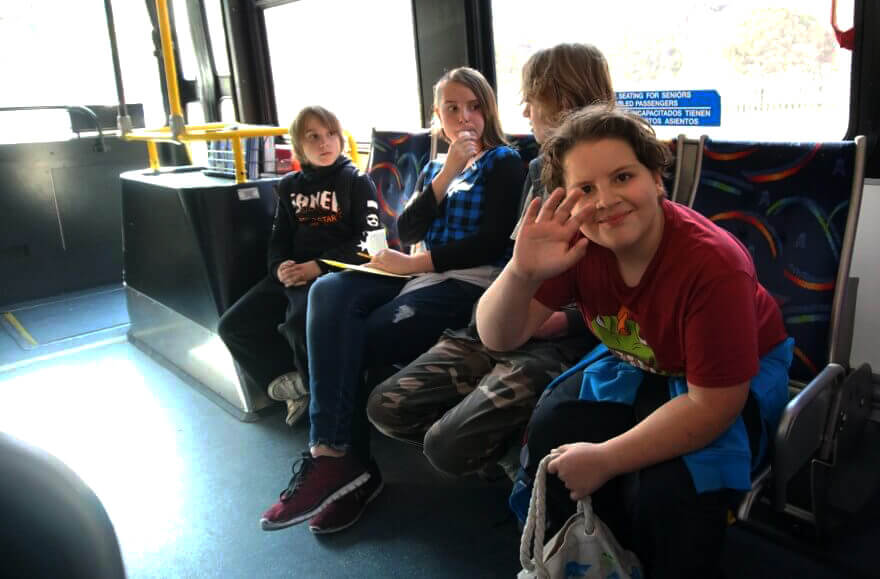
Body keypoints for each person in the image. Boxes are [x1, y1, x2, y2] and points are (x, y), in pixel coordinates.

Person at [476, 106, 794, 578]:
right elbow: (499, 335)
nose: (605, 200)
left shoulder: (714, 266)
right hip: (645, 355)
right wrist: (522, 272)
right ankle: (588, 558)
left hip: (726, 376)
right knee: (552, 431)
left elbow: (714, 405)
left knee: (672, 492)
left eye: (622, 176)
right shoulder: (580, 247)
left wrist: (606, 459)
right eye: (586, 189)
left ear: (657, 180)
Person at [260, 67, 525, 535]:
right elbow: (409, 231)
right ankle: (331, 456)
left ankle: (352, 471)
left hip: (464, 280)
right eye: (452, 108)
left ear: (488, 110)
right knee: (327, 291)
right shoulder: (432, 165)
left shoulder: (505, 161)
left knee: (357, 338)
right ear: (437, 116)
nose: (465, 118)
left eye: (474, 106)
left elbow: (490, 243)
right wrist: (446, 173)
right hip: (415, 269)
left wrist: (411, 267)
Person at [366, 43, 615, 479]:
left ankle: (513, 460)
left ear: (564, 101)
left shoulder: (614, 178)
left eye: (532, 98)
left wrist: (565, 320)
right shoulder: (539, 169)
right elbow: (510, 260)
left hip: (565, 336)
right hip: (508, 315)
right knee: (385, 407)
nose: (525, 110)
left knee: (447, 444)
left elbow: (624, 285)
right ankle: (502, 449)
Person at [218, 106, 379, 427]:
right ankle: (297, 384)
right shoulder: (289, 186)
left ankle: (326, 406)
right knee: (232, 326)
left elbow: (371, 241)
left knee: (298, 325)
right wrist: (279, 267)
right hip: (293, 274)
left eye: (331, 134)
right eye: (313, 137)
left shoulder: (356, 182)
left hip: (335, 273)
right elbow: (279, 238)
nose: (325, 143)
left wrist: (318, 266)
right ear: (298, 145)